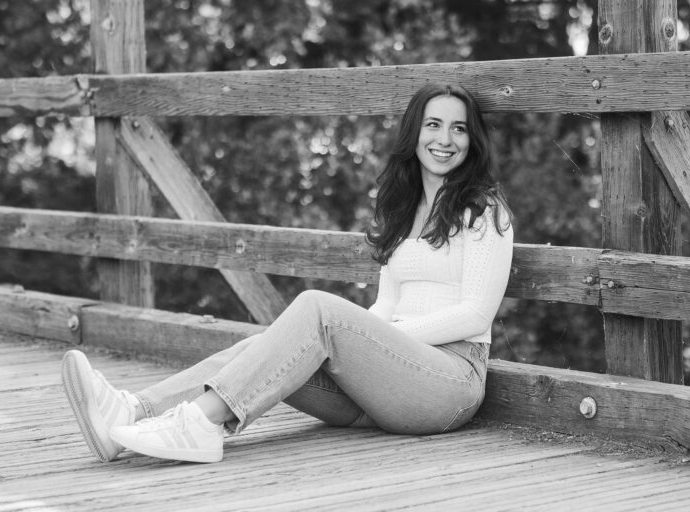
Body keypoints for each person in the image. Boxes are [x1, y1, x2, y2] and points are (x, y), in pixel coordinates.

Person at [61, 83, 514, 464]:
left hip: (449, 384)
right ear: (414, 133)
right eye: (433, 124)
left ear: (472, 140)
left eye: (458, 128)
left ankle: (200, 424)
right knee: (263, 347)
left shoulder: (485, 211)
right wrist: (376, 339)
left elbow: (475, 315)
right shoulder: (402, 210)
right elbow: (387, 306)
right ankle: (129, 412)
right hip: (386, 388)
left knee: (318, 309)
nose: (445, 138)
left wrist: (388, 337)